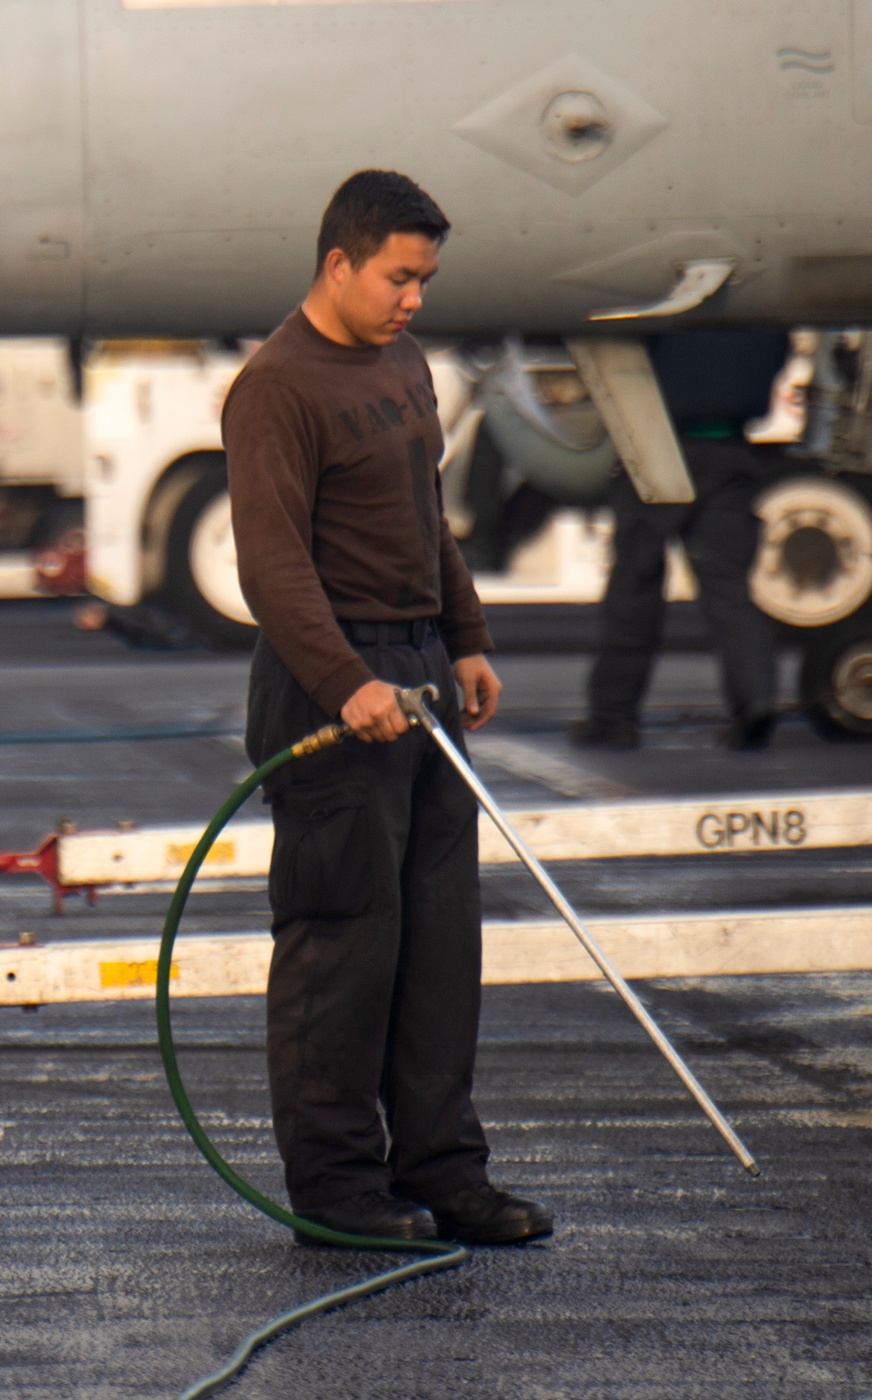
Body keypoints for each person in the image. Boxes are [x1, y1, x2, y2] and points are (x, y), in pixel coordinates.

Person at [222, 170, 552, 1246]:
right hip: (337, 683)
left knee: (437, 940)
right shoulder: (278, 386)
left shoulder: (402, 363)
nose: (414, 299)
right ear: (339, 263)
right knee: (344, 941)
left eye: (425, 280)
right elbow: (271, 564)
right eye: (399, 277)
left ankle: (444, 1169)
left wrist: (466, 636)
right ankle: (339, 1189)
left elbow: (428, 515)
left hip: (418, 671)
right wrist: (346, 680)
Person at [570, 331, 789, 753]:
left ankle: (613, 717)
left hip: (658, 443)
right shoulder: (754, 308)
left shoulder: (670, 289)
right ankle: (754, 700)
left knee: (635, 585)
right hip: (730, 447)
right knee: (728, 589)